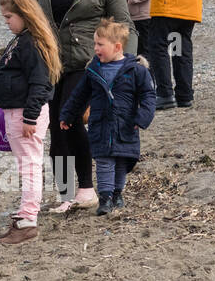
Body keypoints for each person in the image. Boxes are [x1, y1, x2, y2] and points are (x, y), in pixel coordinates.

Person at [31, 0, 136, 213]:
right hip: (50, 60)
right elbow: (32, 12)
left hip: (87, 62)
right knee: (54, 126)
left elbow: (125, 25)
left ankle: (86, 189)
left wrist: (126, 66)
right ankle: (66, 194)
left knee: (70, 119)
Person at [59, 18, 156, 216]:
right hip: (100, 125)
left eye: (100, 44)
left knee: (122, 161)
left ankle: (117, 193)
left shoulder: (136, 70)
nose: (95, 48)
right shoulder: (93, 70)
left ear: (117, 46)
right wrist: (68, 115)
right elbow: (79, 95)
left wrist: (142, 118)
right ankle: (104, 199)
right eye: (95, 43)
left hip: (126, 125)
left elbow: (148, 95)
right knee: (104, 161)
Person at [0, 0, 62, 245]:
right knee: (26, 165)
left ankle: (28, 221)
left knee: (30, 165)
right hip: (17, 111)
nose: (7, 23)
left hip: (25, 114)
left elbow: (40, 83)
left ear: (24, 13)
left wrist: (30, 117)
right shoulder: (23, 39)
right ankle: (24, 215)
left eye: (9, 17)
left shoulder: (31, 43)